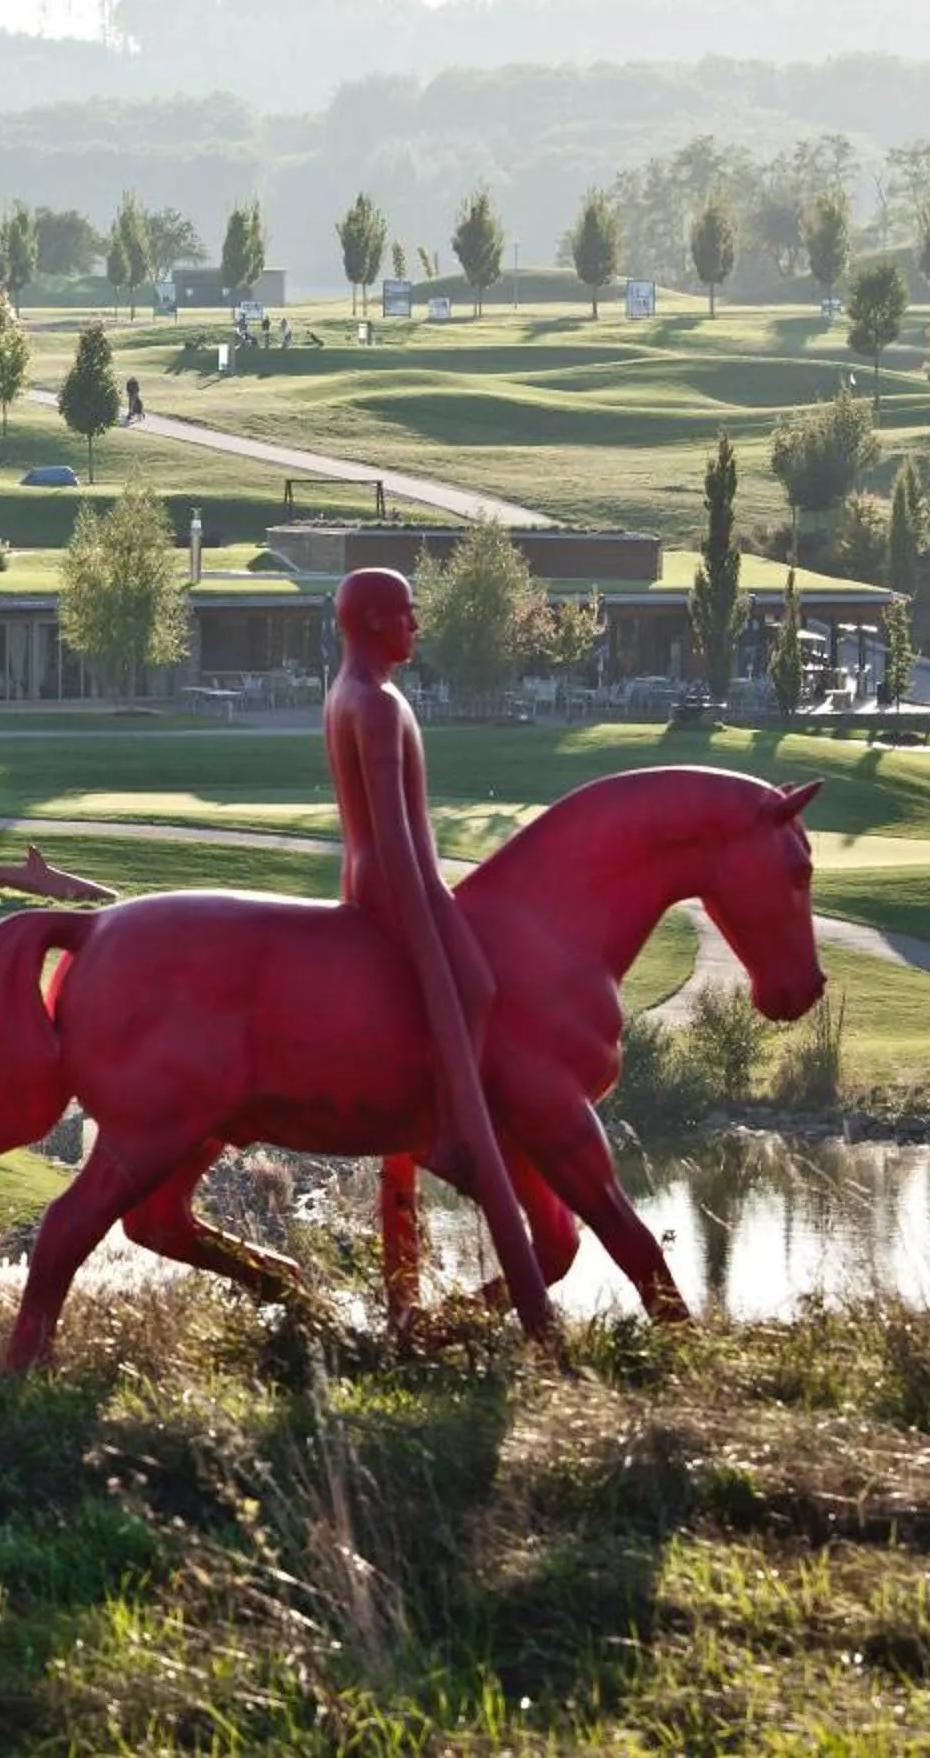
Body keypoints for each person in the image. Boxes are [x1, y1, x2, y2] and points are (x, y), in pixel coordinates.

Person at [322, 566, 550, 1339]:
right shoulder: (378, 705)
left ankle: (448, 1119)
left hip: (384, 879)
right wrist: (425, 925)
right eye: (408, 615)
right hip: (399, 885)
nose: (418, 627)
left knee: (473, 986)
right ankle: (454, 1125)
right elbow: (390, 829)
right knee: (478, 988)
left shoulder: (350, 689)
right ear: (379, 621)